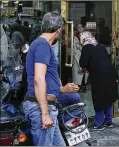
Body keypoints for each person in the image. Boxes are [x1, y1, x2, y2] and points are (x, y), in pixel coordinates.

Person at [22, 11, 66, 146]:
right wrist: (45, 113)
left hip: (46, 106)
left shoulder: (42, 45)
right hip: (40, 107)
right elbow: (39, 79)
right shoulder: (42, 45)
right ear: (59, 29)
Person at [79, 31, 118, 131]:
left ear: (83, 39)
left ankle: (99, 124)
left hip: (99, 76)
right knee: (108, 97)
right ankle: (108, 122)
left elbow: (83, 63)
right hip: (110, 73)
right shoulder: (100, 46)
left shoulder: (86, 47)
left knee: (99, 98)